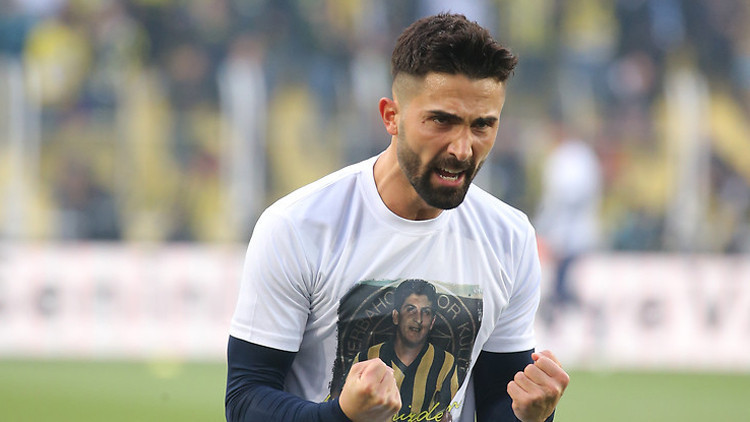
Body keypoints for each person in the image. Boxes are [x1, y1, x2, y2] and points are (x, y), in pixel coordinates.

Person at [225, 13, 569, 422]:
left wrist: (533, 417)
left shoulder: (509, 237)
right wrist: (343, 416)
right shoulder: (298, 227)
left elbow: (499, 400)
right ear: (391, 116)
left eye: (482, 125)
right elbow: (246, 400)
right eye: (441, 120)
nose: (462, 148)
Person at [343, 280, 459, 420]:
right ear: (396, 316)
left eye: (426, 312)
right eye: (411, 309)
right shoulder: (366, 358)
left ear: (432, 322)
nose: (418, 319)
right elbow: (345, 410)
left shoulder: (445, 362)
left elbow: (451, 414)